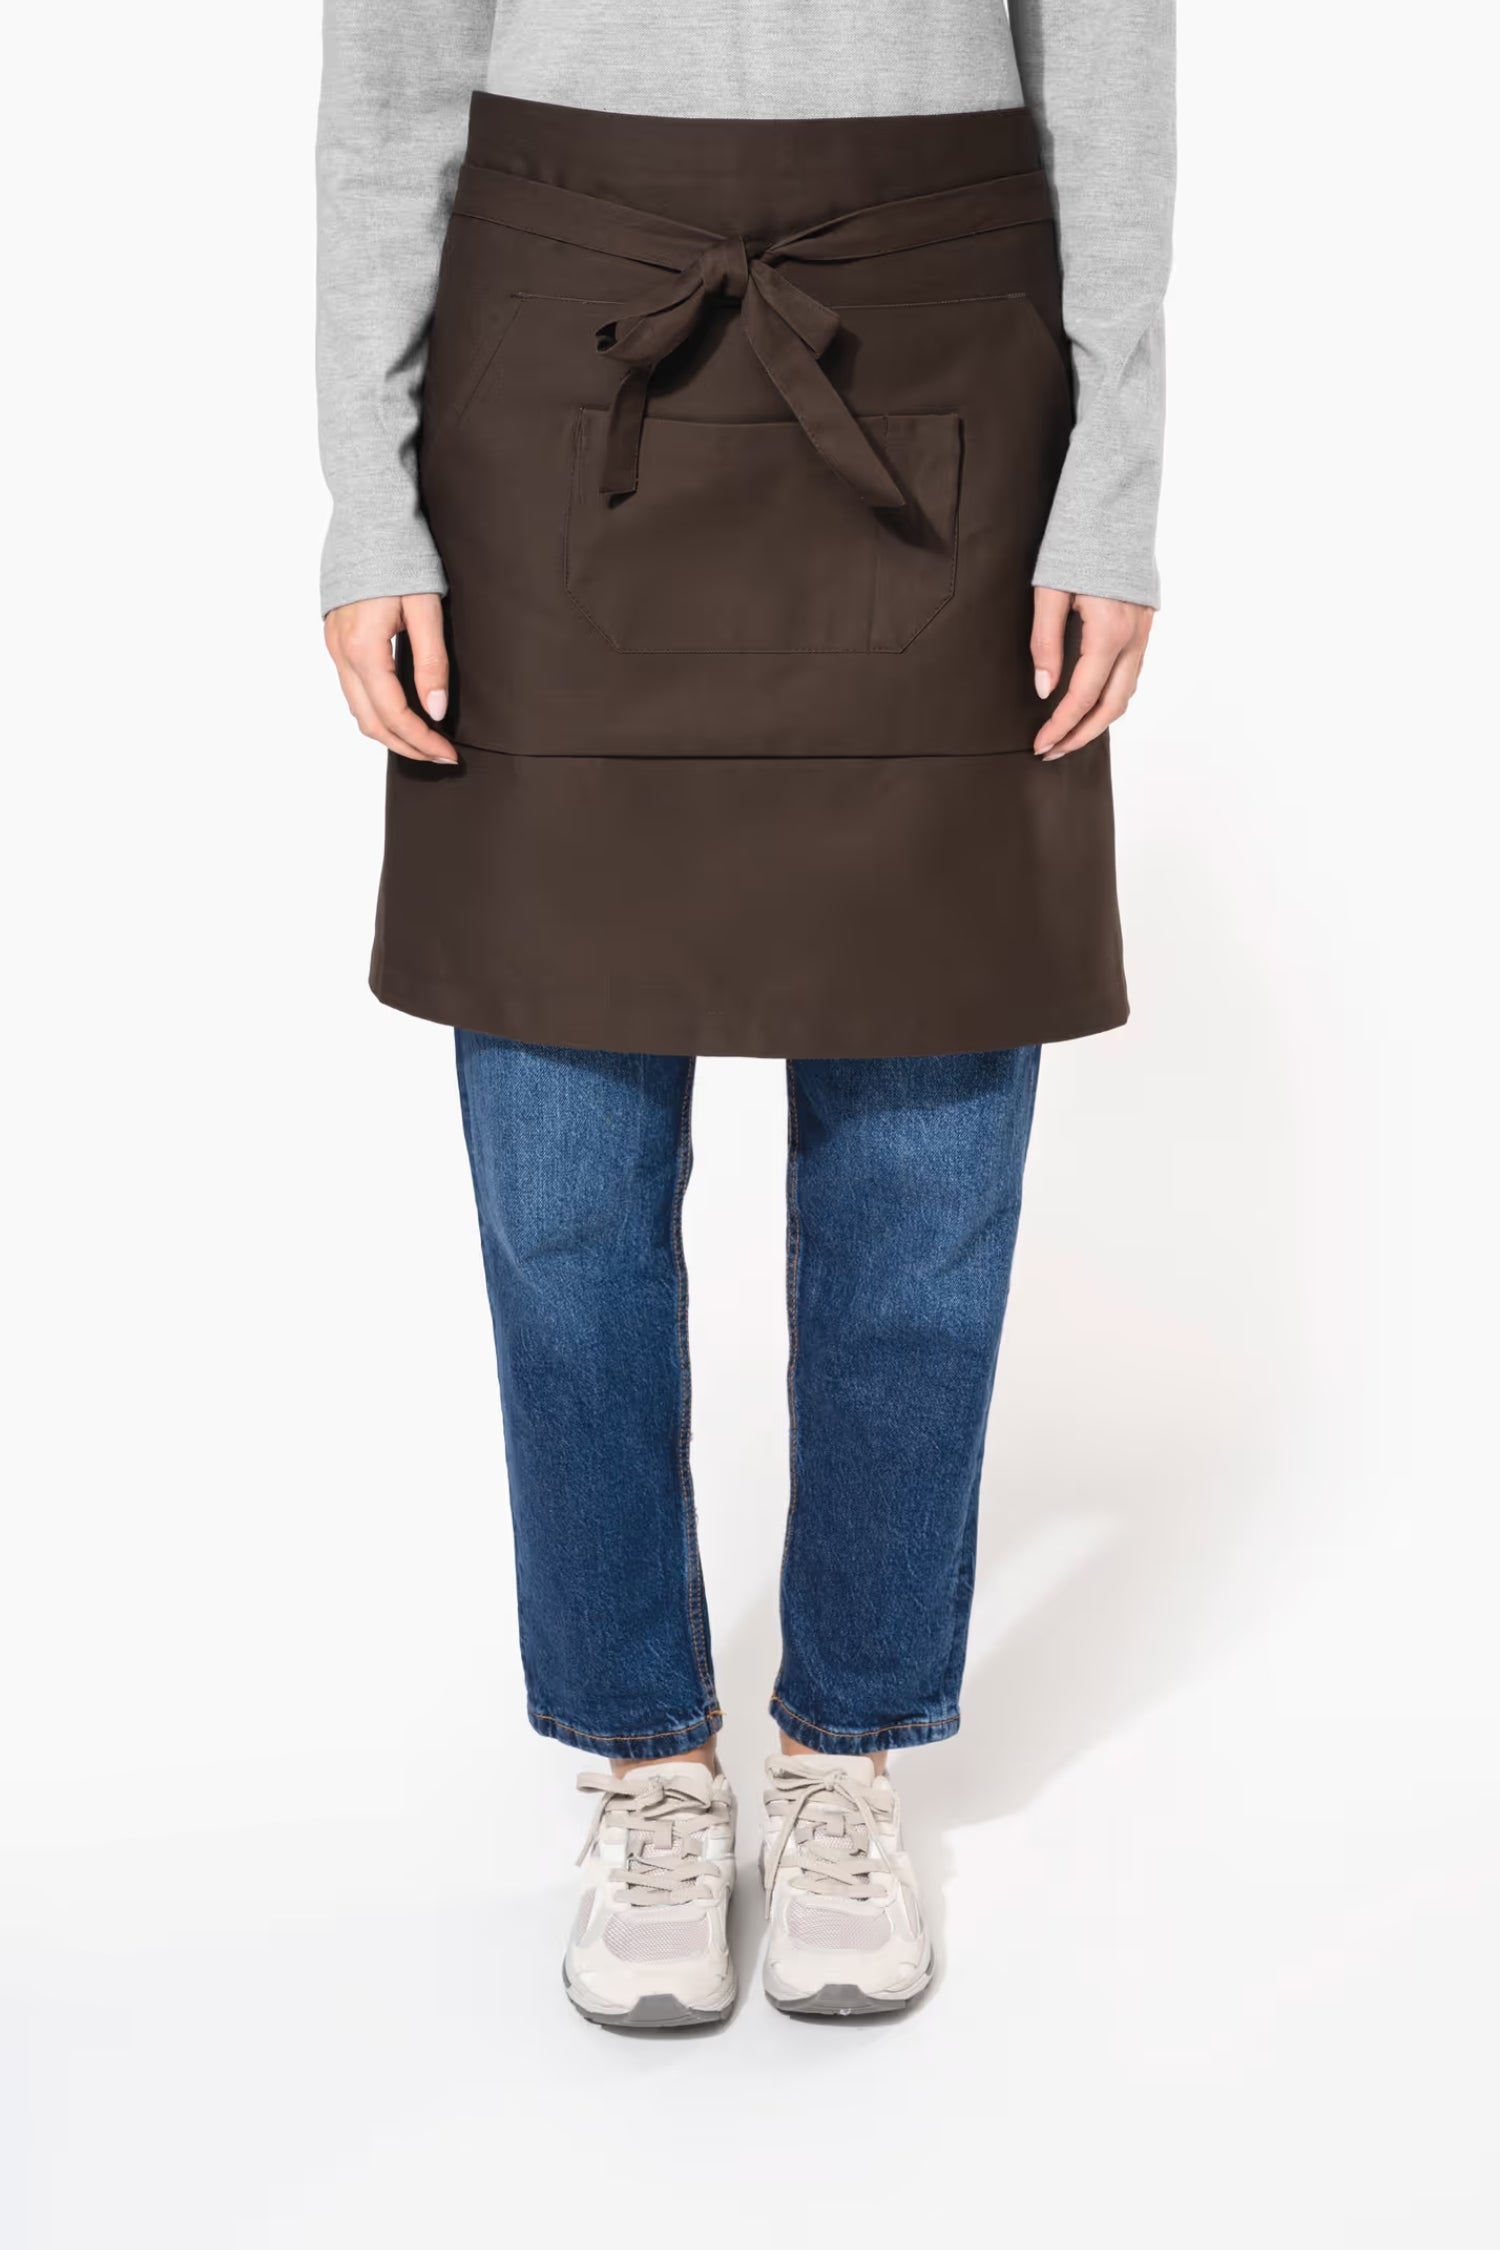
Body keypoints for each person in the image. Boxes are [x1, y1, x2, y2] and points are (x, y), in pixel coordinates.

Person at [316, 0, 1174, 2026]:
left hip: (940, 348)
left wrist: (1113, 491)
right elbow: (388, 92)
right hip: (558, 360)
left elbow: (1112, 75)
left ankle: (848, 1749)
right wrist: (369, 498)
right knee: (563, 1182)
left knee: (923, 1176)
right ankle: (646, 1763)